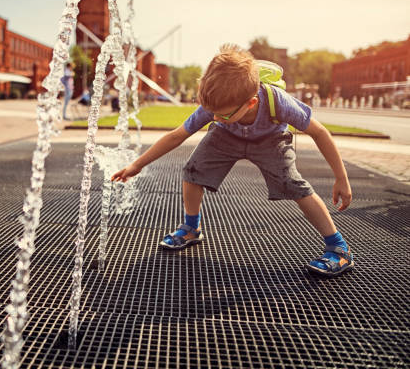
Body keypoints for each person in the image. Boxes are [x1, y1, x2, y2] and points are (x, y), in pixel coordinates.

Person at [111, 44, 354, 277]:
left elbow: (320, 132)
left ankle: (338, 248)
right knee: (192, 171)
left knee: (294, 185)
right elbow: (177, 135)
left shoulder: (278, 102)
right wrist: (137, 165)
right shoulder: (218, 105)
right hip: (226, 136)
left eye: (222, 113)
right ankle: (191, 228)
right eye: (211, 111)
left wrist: (341, 178)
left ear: (251, 103)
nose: (214, 116)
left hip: (271, 139)